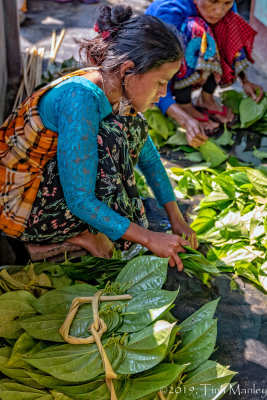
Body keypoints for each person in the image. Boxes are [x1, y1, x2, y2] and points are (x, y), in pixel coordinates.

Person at [0, 5, 197, 271]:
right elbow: (80, 200)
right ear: (128, 70)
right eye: (160, 82)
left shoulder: (115, 86)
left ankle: (86, 229)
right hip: (18, 206)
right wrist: (149, 238)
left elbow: (148, 157)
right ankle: (70, 234)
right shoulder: (80, 99)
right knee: (111, 139)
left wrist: (175, 216)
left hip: (45, 186)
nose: (163, 94)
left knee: (133, 127)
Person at [145, 0, 264, 147]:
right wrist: (184, 119)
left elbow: (231, 45)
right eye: (213, 1)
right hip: (153, 63)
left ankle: (206, 99)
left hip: (183, 59)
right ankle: (184, 103)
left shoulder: (227, 8)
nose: (219, 11)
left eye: (226, 3)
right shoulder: (171, 13)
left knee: (229, 22)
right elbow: (156, 75)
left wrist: (245, 81)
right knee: (194, 27)